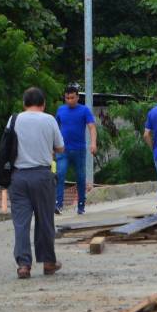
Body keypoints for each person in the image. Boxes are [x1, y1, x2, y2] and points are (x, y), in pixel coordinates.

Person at [7, 87, 64, 279]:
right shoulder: (49, 120)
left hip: (18, 177)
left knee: (21, 223)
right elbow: (60, 147)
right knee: (45, 221)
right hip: (42, 176)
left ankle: (23, 265)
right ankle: (48, 263)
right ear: (43, 104)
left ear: (24, 103)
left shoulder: (14, 119)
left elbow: (6, 146)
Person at [54, 85, 97, 215]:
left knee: (80, 177)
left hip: (79, 150)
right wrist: (52, 146)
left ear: (78, 97)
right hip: (62, 149)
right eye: (67, 98)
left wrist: (93, 143)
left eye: (72, 98)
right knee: (60, 174)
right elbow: (54, 128)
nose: (70, 100)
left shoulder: (84, 110)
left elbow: (92, 127)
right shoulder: (61, 110)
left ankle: (81, 206)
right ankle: (58, 204)